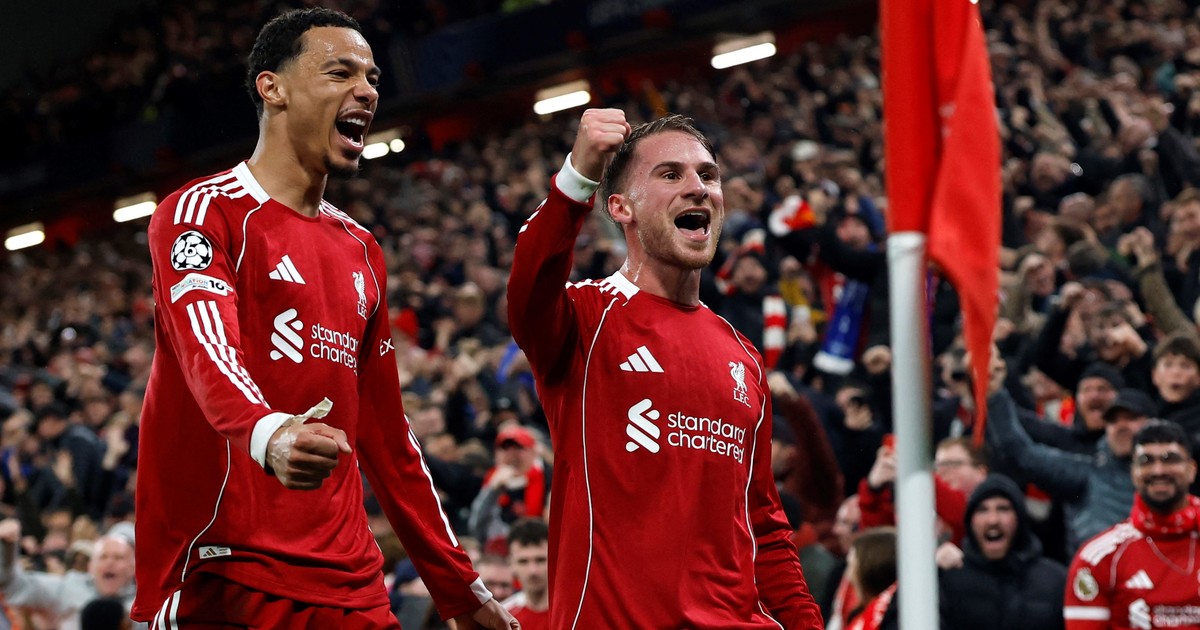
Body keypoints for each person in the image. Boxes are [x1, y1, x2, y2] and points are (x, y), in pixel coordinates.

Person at [132, 8, 514, 629]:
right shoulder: (202, 212)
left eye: (372, 78)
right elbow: (209, 350)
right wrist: (268, 433)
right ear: (272, 87)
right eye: (340, 73)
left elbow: (388, 437)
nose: (366, 90)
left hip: (351, 583)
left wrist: (459, 586)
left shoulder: (361, 249)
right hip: (226, 571)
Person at [506, 108, 821, 627]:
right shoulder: (585, 317)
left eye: (708, 175)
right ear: (621, 207)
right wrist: (576, 177)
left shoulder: (743, 356)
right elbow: (527, 290)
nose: (698, 188)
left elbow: (764, 527)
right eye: (670, 174)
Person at [1063, 420, 1200, 629]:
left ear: (1191, 470)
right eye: (1146, 461)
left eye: (1170, 459)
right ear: (1133, 472)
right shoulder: (1098, 559)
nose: (1158, 470)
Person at [939, 474, 1067, 630]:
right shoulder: (949, 580)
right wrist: (929, 571)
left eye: (1003, 509)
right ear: (970, 522)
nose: (993, 520)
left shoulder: (1056, 581)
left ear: (1019, 518)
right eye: (982, 510)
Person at [0, 518, 138, 630]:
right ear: (90, 566)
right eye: (103, 557)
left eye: (118, 557)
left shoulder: (142, 605)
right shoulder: (69, 588)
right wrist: (7, 548)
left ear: (134, 567)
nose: (110, 563)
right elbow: (13, 586)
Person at [502, 518, 550, 630]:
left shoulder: (576, 612)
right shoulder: (503, 619)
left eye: (540, 560)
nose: (533, 571)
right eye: (523, 561)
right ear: (511, 564)